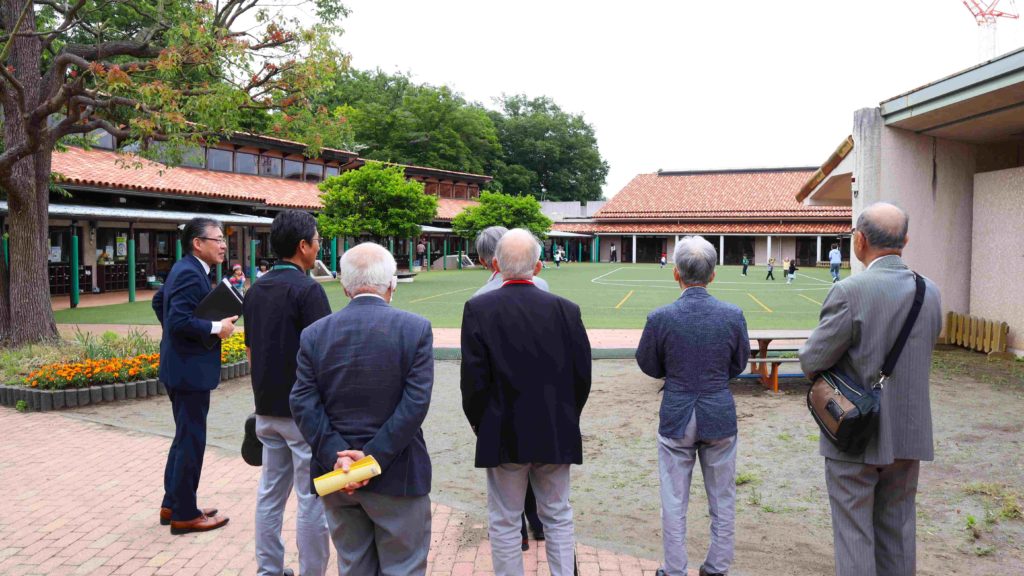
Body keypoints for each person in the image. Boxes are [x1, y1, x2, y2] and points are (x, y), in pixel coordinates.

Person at [799, 202, 942, 576]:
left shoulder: (849, 291)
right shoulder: (930, 292)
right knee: (898, 533)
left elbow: (813, 360)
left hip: (855, 432)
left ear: (859, 240)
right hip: (908, 431)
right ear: (905, 241)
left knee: (854, 535)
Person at [291, 242, 434, 576]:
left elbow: (303, 402)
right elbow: (415, 404)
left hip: (338, 475)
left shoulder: (315, 334)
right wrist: (371, 460)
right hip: (397, 473)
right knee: (404, 567)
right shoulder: (414, 329)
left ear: (344, 286)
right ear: (392, 284)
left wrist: (339, 456)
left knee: (353, 564)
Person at [460, 229, 592, 576]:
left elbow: (473, 383)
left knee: (505, 520)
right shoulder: (566, 310)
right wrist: (566, 417)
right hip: (554, 427)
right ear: (537, 266)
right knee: (558, 515)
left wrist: (484, 425)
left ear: (495, 265)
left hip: (502, 431)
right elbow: (582, 377)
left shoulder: (478, 309)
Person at [636, 236, 749, 576]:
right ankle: (717, 567)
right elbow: (738, 363)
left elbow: (648, 363)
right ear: (712, 274)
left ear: (676, 274)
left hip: (678, 413)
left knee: (674, 500)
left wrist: (675, 374)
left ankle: (674, 569)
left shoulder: (661, 317)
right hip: (717, 410)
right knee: (723, 499)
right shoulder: (732, 315)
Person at [243, 211, 333, 576]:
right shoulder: (308, 291)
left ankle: (269, 569)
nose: (318, 247)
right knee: (311, 496)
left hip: (266, 408)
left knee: (270, 493)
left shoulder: (255, 290)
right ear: (303, 246)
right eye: (317, 241)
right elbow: (324, 355)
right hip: (303, 413)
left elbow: (251, 351)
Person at [152, 217, 236, 534]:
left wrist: (176, 342)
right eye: (217, 239)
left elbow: (159, 301)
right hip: (189, 371)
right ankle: (185, 514)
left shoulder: (187, 268)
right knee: (191, 440)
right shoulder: (190, 272)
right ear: (197, 244)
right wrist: (216, 328)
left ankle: (174, 503)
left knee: (184, 437)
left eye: (223, 239)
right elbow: (178, 321)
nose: (223, 245)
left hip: (182, 366)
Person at [472, 226, 550, 548]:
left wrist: (479, 420)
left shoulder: (478, 299)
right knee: (536, 470)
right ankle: (538, 523)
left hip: (499, 404)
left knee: (505, 479)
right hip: (539, 398)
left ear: (487, 260)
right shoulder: (541, 286)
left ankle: (516, 532)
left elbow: (475, 372)